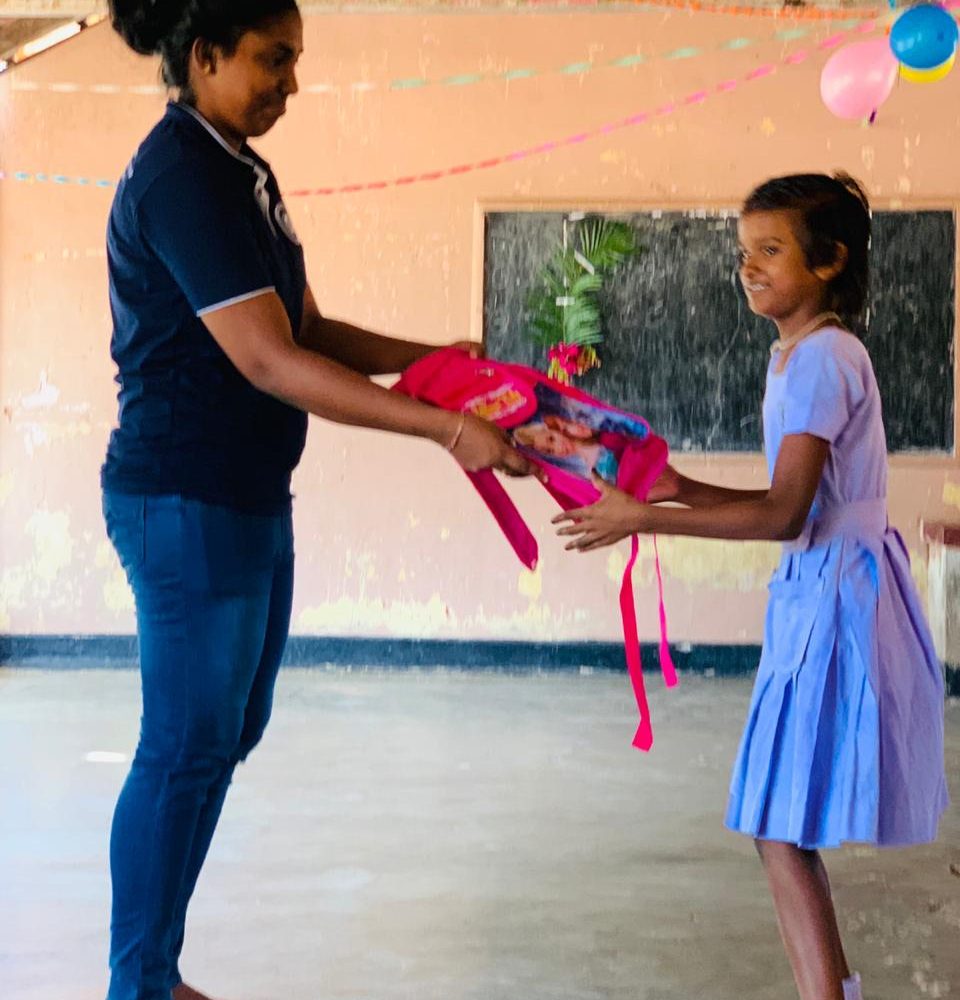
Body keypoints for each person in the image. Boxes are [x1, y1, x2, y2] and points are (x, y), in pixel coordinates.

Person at [100, 3, 533, 998]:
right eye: (273, 60)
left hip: (245, 493)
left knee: (225, 734)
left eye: (294, 60)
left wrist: (432, 360)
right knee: (185, 746)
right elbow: (268, 360)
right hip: (184, 497)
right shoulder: (181, 176)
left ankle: (153, 969)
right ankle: (140, 980)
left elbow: (305, 327)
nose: (290, 83)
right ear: (205, 56)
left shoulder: (239, 172)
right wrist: (444, 427)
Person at [554, 173, 949, 1000]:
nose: (749, 267)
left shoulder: (823, 360)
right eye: (744, 251)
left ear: (830, 261)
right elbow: (792, 507)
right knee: (777, 825)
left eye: (771, 250)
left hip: (834, 600)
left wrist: (646, 517)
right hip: (824, 588)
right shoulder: (804, 356)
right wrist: (677, 489)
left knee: (777, 824)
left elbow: (783, 515)